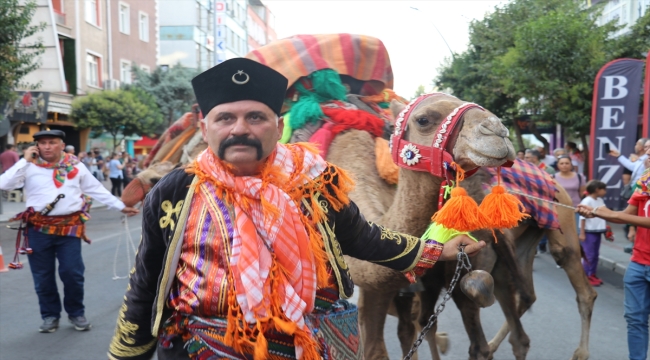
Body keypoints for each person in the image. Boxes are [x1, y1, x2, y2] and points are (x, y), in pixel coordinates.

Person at [107, 58, 485, 360]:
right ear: (206, 129)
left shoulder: (317, 182)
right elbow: (149, 278)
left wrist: (434, 250)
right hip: (201, 348)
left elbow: (363, 239)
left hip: (307, 346)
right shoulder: (177, 190)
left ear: (277, 125)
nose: (241, 128)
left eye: (255, 117)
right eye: (226, 118)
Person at [0, 130, 139, 333]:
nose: (47, 146)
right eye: (42, 143)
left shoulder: (76, 166)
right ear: (36, 146)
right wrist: (24, 160)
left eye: (52, 142)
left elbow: (95, 189)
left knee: (72, 273)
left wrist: (119, 206)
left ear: (62, 145)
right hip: (38, 229)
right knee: (43, 276)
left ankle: (76, 313)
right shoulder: (28, 166)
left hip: (69, 228)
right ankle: (49, 316)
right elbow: (3, 184)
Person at [576, 162, 650, 360]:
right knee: (635, 320)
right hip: (638, 263)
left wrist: (610, 213)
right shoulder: (645, 182)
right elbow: (626, 217)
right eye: (648, 155)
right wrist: (596, 212)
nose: (647, 160)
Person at [578, 180, 608, 286]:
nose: (605, 191)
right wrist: (582, 233)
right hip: (589, 231)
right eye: (603, 189)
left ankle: (592, 274)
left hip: (597, 231)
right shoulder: (587, 201)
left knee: (595, 254)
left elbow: (605, 213)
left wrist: (607, 227)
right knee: (588, 255)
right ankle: (585, 276)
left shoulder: (599, 200)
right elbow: (582, 218)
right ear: (597, 190)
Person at [553, 155, 586, 232]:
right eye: (562, 163)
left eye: (567, 163)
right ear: (558, 165)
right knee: (560, 233)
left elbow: (582, 193)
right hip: (559, 209)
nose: (564, 165)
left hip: (575, 209)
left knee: (576, 232)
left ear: (571, 164)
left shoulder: (579, 177)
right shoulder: (553, 177)